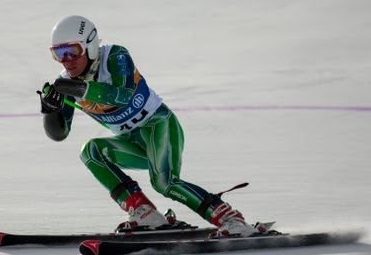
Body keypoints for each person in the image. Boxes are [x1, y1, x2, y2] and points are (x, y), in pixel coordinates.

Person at [37, 15, 261, 237]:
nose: (66, 60)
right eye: (58, 53)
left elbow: (122, 96)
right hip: (131, 141)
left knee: (164, 183)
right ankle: (145, 213)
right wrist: (50, 109)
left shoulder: (114, 55)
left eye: (71, 51)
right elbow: (60, 134)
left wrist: (80, 89)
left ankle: (232, 220)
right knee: (90, 152)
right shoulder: (65, 81)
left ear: (90, 46)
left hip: (158, 126)